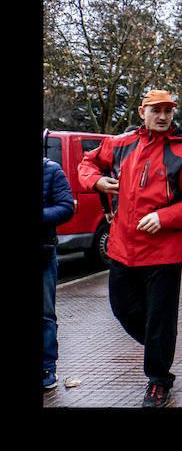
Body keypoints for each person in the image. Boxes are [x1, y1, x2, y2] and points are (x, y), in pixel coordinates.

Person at [78, 89, 182, 407]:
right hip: (122, 248)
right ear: (142, 112)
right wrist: (95, 181)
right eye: (156, 110)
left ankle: (158, 379)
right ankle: (160, 345)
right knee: (123, 308)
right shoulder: (121, 144)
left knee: (160, 317)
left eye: (168, 110)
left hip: (163, 253)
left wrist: (164, 217)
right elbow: (88, 162)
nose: (163, 116)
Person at [42, 155, 75, 390]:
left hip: (43, 251)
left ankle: (46, 368)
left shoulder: (51, 170)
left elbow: (66, 208)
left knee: (44, 314)